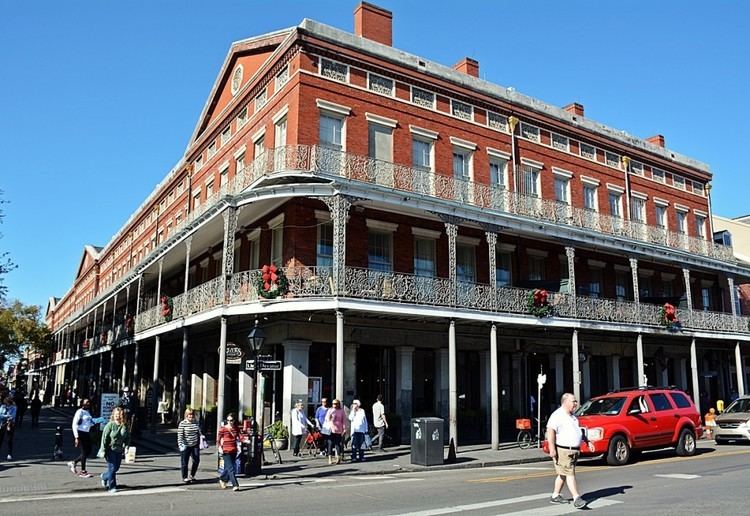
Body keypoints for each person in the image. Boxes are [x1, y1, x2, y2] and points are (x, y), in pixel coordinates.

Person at [547, 393, 589, 509]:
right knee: (570, 473)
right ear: (565, 402)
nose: (576, 404)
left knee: (563, 474)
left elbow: (576, 431)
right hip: (564, 450)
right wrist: (552, 449)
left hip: (573, 450)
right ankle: (577, 498)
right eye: (573, 401)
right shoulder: (557, 415)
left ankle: (555, 495)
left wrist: (585, 439)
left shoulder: (572, 416)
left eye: (576, 401)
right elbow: (550, 431)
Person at [100, 406, 130, 493]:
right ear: (113, 415)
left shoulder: (124, 426)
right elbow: (104, 438)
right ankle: (112, 487)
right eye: (116, 414)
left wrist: (126, 447)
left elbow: (128, 437)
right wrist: (103, 450)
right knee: (112, 469)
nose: (117, 416)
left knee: (116, 468)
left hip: (119, 449)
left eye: (119, 414)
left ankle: (104, 476)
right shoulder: (110, 425)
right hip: (110, 449)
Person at [69, 398, 95, 478]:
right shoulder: (79, 412)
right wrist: (76, 437)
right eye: (86, 402)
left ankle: (74, 462)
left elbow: (88, 423)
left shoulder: (88, 412)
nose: (88, 404)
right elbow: (74, 424)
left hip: (86, 432)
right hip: (80, 433)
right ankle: (83, 471)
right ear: (82, 403)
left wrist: (95, 422)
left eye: (89, 402)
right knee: (84, 452)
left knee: (88, 451)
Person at [216, 413, 240, 491]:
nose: (229, 422)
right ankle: (235, 484)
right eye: (228, 420)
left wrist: (245, 440)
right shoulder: (223, 429)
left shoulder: (236, 428)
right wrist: (219, 447)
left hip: (234, 449)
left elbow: (239, 437)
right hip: (225, 450)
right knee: (231, 468)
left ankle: (222, 478)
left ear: (234, 420)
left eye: (231, 420)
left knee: (229, 467)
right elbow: (218, 439)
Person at [177, 408, 201, 482]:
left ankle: (192, 475)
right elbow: (180, 435)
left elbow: (198, 432)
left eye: (192, 415)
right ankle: (185, 477)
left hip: (195, 444)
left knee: (196, 460)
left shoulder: (196, 422)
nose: (191, 417)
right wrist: (180, 445)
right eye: (189, 415)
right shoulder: (182, 423)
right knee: (185, 462)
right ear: (186, 415)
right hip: (185, 445)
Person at [325, 399, 346, 464]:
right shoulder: (330, 410)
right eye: (333, 403)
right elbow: (327, 419)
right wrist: (330, 416)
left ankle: (338, 457)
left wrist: (344, 429)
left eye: (336, 403)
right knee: (330, 444)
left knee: (338, 444)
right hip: (331, 429)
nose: (334, 405)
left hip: (339, 430)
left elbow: (344, 420)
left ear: (338, 404)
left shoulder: (341, 411)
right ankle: (330, 458)